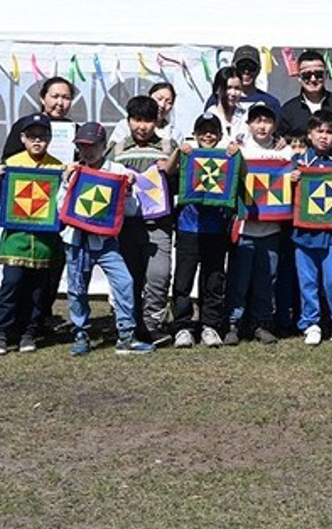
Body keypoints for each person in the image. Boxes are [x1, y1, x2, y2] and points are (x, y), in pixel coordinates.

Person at [61, 122, 153, 355]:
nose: (87, 151)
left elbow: (131, 209)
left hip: (106, 241)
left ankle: (126, 333)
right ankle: (80, 333)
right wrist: (66, 183)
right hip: (76, 240)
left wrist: (128, 192)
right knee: (77, 288)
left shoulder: (119, 172)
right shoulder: (73, 172)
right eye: (82, 146)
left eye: (92, 146)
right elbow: (59, 208)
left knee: (124, 282)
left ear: (104, 146)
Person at [0, 113, 64, 355]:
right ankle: (0, 332)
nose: (37, 141)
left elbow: (61, 203)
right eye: (32, 136)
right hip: (16, 239)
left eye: (42, 136)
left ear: (50, 139)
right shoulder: (12, 164)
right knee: (11, 284)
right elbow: (2, 200)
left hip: (43, 242)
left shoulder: (57, 167)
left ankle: (29, 332)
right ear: (22, 138)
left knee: (36, 290)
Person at [223, 102, 291, 346]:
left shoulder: (285, 153)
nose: (262, 126)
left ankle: (262, 323)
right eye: (257, 121)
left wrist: (293, 175)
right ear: (249, 124)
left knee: (267, 278)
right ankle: (233, 323)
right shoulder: (239, 150)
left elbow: (293, 174)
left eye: (267, 121)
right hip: (245, 226)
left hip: (271, 228)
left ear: (274, 125)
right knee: (239, 279)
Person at [290, 109, 332, 346]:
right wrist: (292, 181)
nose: (324, 137)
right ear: (309, 134)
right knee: (307, 281)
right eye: (319, 131)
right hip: (305, 233)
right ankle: (311, 323)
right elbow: (284, 195)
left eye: (329, 132)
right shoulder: (300, 161)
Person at [114, 94, 179, 346]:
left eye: (148, 120)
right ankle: (129, 326)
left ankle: (152, 325)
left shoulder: (168, 146)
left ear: (157, 120)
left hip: (159, 225)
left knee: (159, 275)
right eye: (136, 119)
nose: (142, 126)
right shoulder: (117, 148)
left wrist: (170, 170)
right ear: (129, 121)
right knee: (130, 277)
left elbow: (183, 181)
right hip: (127, 225)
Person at [171, 115, 236, 348]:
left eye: (212, 131)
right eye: (203, 131)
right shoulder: (188, 156)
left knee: (214, 280)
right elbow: (169, 171)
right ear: (195, 134)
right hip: (188, 229)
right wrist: (178, 152)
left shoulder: (226, 159)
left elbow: (244, 174)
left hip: (216, 230)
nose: (207, 135)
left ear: (219, 135)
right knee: (183, 281)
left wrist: (235, 155)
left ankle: (210, 326)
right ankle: (183, 327)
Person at [3, 76, 77, 161]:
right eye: (55, 96)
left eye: (66, 98)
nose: (60, 103)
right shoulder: (23, 125)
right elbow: (8, 161)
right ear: (42, 99)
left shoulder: (76, 130)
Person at [279, 50, 332, 139]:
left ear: (325, 75)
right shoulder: (288, 110)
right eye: (307, 75)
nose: (313, 79)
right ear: (299, 77)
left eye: (318, 74)